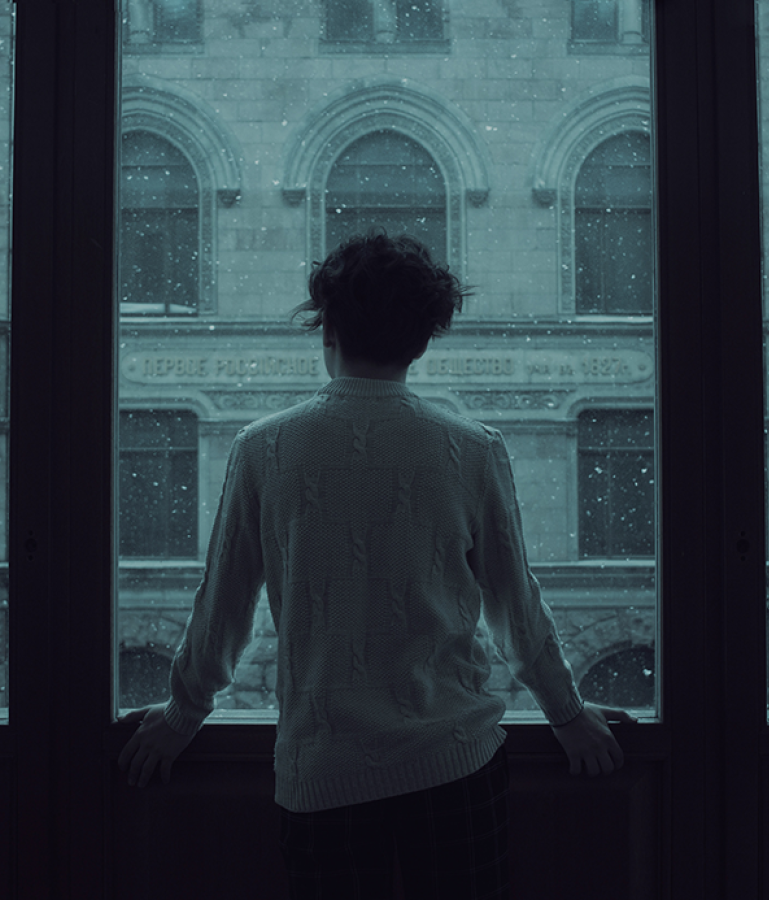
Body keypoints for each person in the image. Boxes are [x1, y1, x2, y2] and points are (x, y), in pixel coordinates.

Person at [119, 232, 635, 898]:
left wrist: (182, 716)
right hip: (456, 764)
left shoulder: (263, 449)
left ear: (326, 329)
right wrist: (566, 715)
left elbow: (224, 604)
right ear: (423, 342)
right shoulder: (472, 449)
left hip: (323, 772)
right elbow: (515, 605)